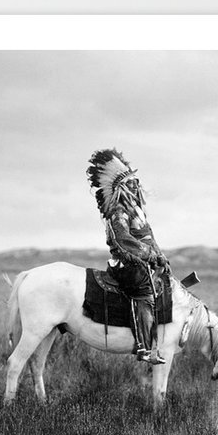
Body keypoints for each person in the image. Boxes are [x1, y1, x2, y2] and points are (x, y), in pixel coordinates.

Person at [87, 148, 168, 365]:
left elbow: (148, 237)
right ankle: (144, 347)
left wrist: (160, 256)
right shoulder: (118, 211)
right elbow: (124, 240)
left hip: (145, 261)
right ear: (121, 187)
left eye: (136, 180)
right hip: (128, 264)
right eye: (130, 182)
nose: (135, 184)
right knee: (144, 291)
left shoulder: (137, 210)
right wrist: (150, 254)